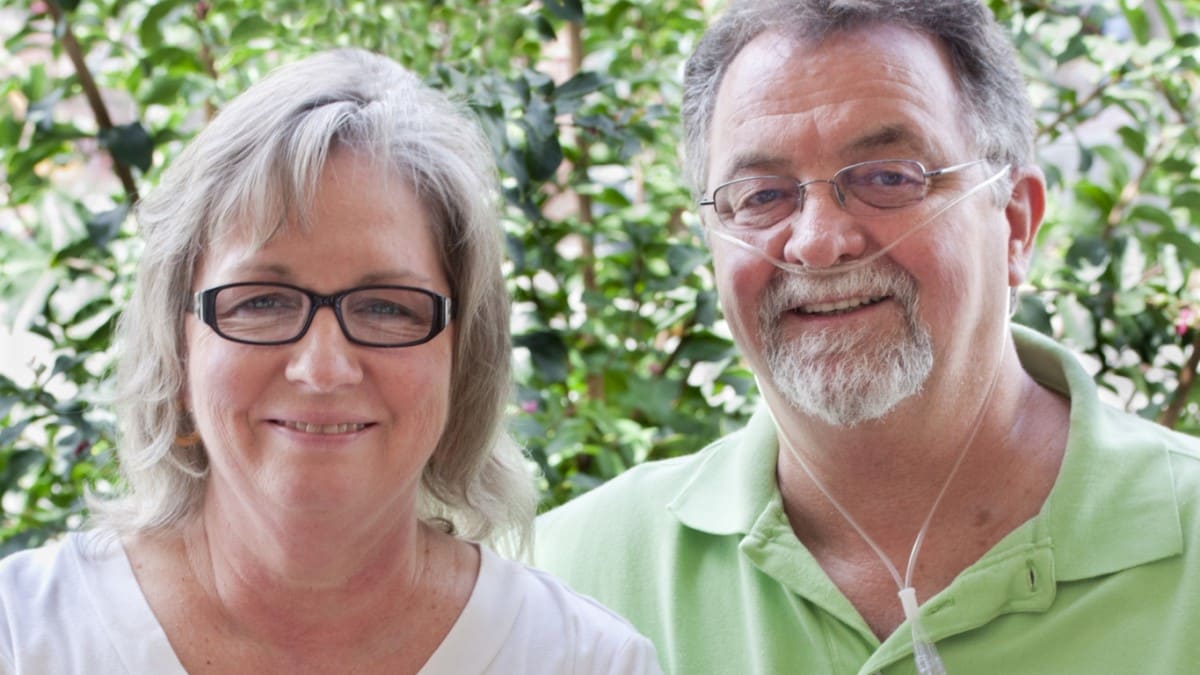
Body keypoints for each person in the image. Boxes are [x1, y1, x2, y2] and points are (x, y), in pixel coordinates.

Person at [535, 1, 1200, 673]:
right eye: (762, 195)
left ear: (1017, 223)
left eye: (888, 178)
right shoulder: (566, 585)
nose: (819, 243)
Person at [0, 48, 660, 674]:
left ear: (465, 357)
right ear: (178, 346)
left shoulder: (580, 660)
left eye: (386, 307)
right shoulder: (23, 637)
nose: (322, 369)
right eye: (261, 300)